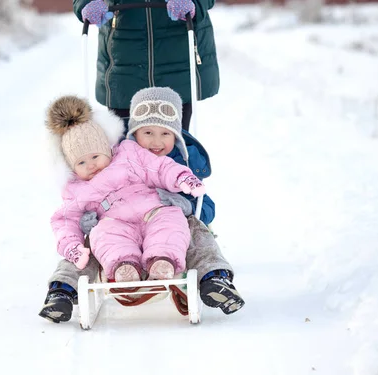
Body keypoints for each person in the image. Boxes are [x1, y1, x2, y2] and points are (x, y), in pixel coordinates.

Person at [39, 87, 245, 323]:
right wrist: (76, 239)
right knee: (89, 246)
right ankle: (64, 289)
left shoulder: (136, 156)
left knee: (190, 227)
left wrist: (185, 194)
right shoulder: (81, 185)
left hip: (157, 216)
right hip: (113, 225)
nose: (156, 142)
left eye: (165, 134)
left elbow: (165, 171)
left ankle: (211, 276)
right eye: (147, 132)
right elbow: (64, 220)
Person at [47, 94, 206, 285]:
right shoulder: (75, 189)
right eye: (81, 162)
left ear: (107, 148)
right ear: (71, 167)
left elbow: (158, 167)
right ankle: (124, 265)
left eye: (95, 156)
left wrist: (182, 178)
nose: (90, 165)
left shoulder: (128, 154)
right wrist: (72, 246)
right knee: (102, 235)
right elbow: (64, 221)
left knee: (171, 220)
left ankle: (163, 260)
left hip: (152, 209)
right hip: (113, 221)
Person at [74, 0, 220, 130]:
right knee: (126, 150)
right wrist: (86, 3)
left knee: (174, 147)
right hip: (122, 60)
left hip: (178, 58)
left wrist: (195, 2)